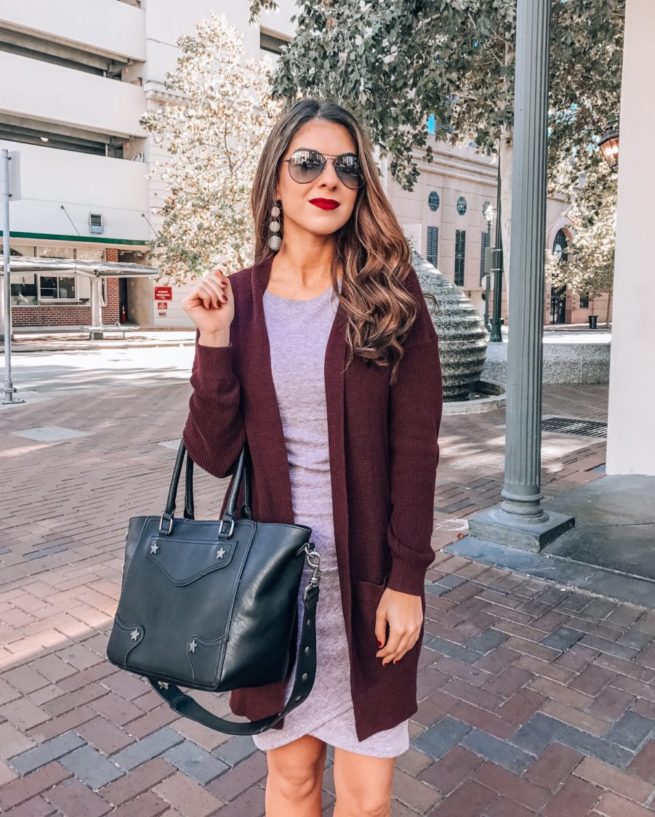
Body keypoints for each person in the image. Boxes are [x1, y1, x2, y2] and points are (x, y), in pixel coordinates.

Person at [181, 98, 443, 817]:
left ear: (361, 188)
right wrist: (213, 341)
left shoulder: (389, 296)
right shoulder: (237, 298)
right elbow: (211, 452)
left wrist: (406, 578)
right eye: (306, 161)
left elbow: (415, 448)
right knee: (291, 780)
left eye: (346, 167)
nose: (326, 178)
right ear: (275, 179)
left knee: (365, 794)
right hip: (272, 590)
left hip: (368, 585)